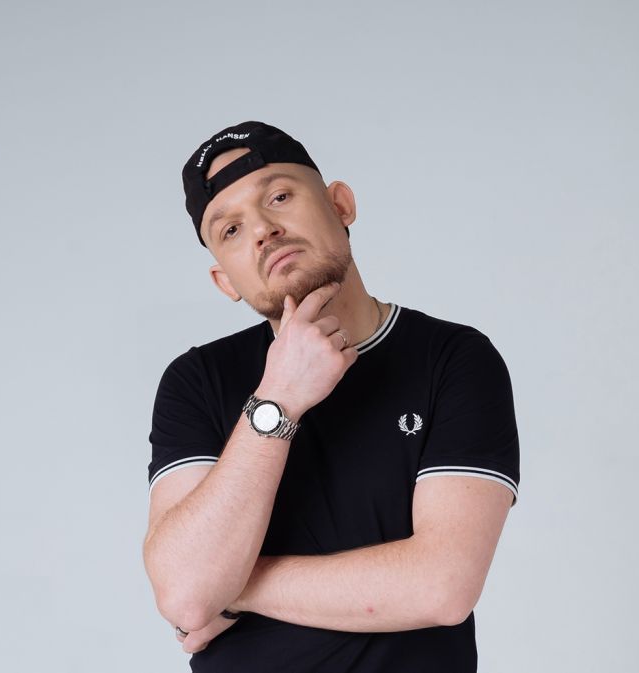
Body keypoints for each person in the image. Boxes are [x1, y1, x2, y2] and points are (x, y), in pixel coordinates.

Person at [143, 122, 520, 672]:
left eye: (278, 196)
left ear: (341, 205)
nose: (263, 230)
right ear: (225, 281)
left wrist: (234, 587)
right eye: (231, 229)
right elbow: (183, 593)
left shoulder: (453, 358)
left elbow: (442, 587)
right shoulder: (197, 380)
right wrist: (279, 398)